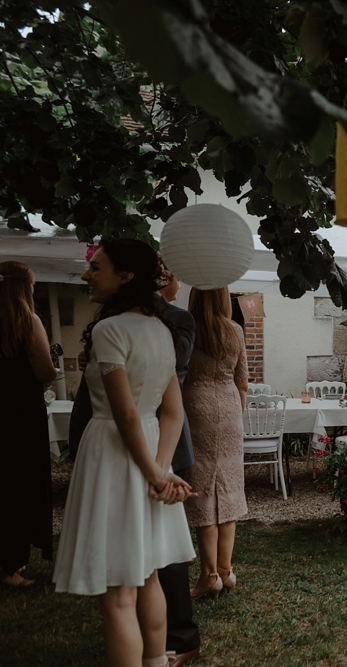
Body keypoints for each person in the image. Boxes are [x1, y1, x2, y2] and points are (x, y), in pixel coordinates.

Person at [53, 239, 196, 667]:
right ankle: (155, 661)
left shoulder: (108, 329)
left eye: (96, 268)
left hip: (115, 455)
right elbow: (172, 413)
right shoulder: (161, 329)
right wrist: (162, 468)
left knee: (118, 590)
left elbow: (126, 416)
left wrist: (156, 473)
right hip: (150, 451)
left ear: (125, 276)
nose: (86, 275)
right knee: (148, 573)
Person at [180, 286, 248, 600]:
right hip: (231, 409)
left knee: (203, 488)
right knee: (228, 487)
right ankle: (225, 570)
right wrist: (238, 413)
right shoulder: (234, 329)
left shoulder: (185, 328)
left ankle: (209, 576)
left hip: (196, 408)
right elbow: (242, 380)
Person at [0, 261, 58, 588]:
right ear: (24, 287)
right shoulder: (28, 322)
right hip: (22, 416)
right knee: (20, 484)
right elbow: (45, 372)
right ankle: (11, 567)